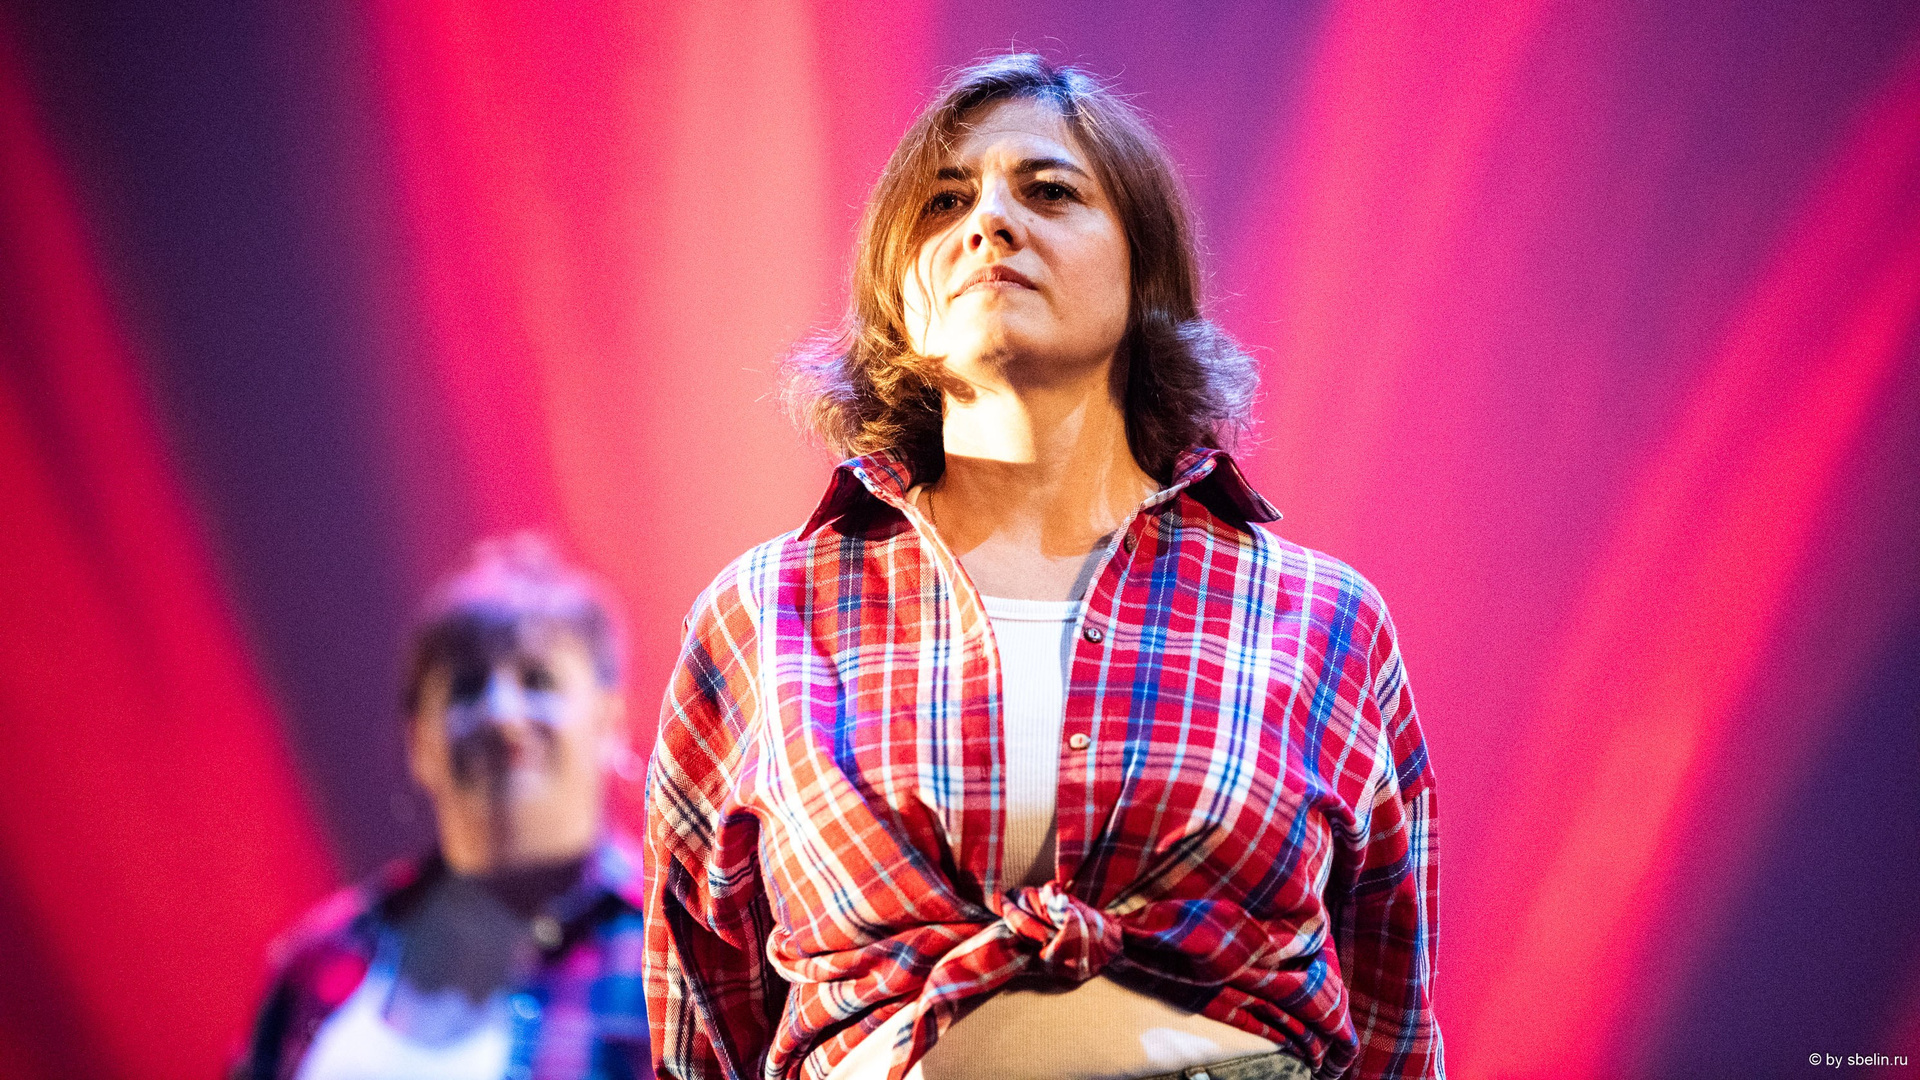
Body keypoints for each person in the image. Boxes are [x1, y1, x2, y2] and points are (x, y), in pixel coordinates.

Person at [644, 54, 1440, 1080]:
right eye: (944, 202)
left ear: (1145, 268)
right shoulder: (764, 613)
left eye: (1049, 191)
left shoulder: (1319, 616)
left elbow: (1393, 1025)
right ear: (897, 290)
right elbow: (701, 1028)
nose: (989, 222)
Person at [237, 535, 652, 1080]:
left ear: (610, 722)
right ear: (418, 742)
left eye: (537, 681)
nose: (501, 715)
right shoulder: (324, 954)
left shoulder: (669, 956)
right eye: (467, 689)